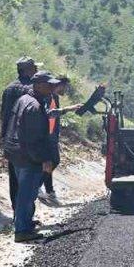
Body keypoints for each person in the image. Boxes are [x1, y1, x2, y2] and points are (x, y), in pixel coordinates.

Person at [3, 71, 60, 242]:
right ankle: (22, 231)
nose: (52, 88)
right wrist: (44, 159)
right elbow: (34, 139)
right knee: (27, 196)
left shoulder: (24, 100)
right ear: (38, 86)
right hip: (28, 158)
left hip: (17, 155)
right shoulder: (34, 106)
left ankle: (25, 224)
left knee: (24, 194)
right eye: (49, 85)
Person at [0, 57, 37, 210]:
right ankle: (24, 218)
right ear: (28, 70)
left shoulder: (9, 88)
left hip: (10, 140)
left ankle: (16, 211)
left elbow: (4, 115)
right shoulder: (31, 90)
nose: (36, 70)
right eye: (34, 67)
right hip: (26, 142)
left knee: (14, 179)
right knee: (27, 179)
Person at [40, 78, 83, 206]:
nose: (65, 90)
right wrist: (68, 109)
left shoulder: (55, 97)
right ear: (58, 85)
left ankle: (49, 191)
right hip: (46, 136)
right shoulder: (48, 97)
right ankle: (37, 186)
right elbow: (49, 114)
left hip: (51, 136)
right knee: (53, 161)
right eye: (64, 87)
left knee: (51, 162)